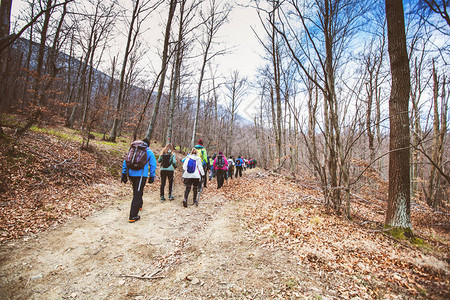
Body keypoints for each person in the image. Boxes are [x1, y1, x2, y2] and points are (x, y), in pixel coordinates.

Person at [121, 138, 157, 223]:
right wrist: (152, 175)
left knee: (136, 190)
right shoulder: (148, 151)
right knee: (137, 193)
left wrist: (124, 173)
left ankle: (139, 205)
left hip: (131, 174)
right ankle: (133, 216)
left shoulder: (133, 149)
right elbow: (153, 164)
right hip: (141, 175)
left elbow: (125, 161)